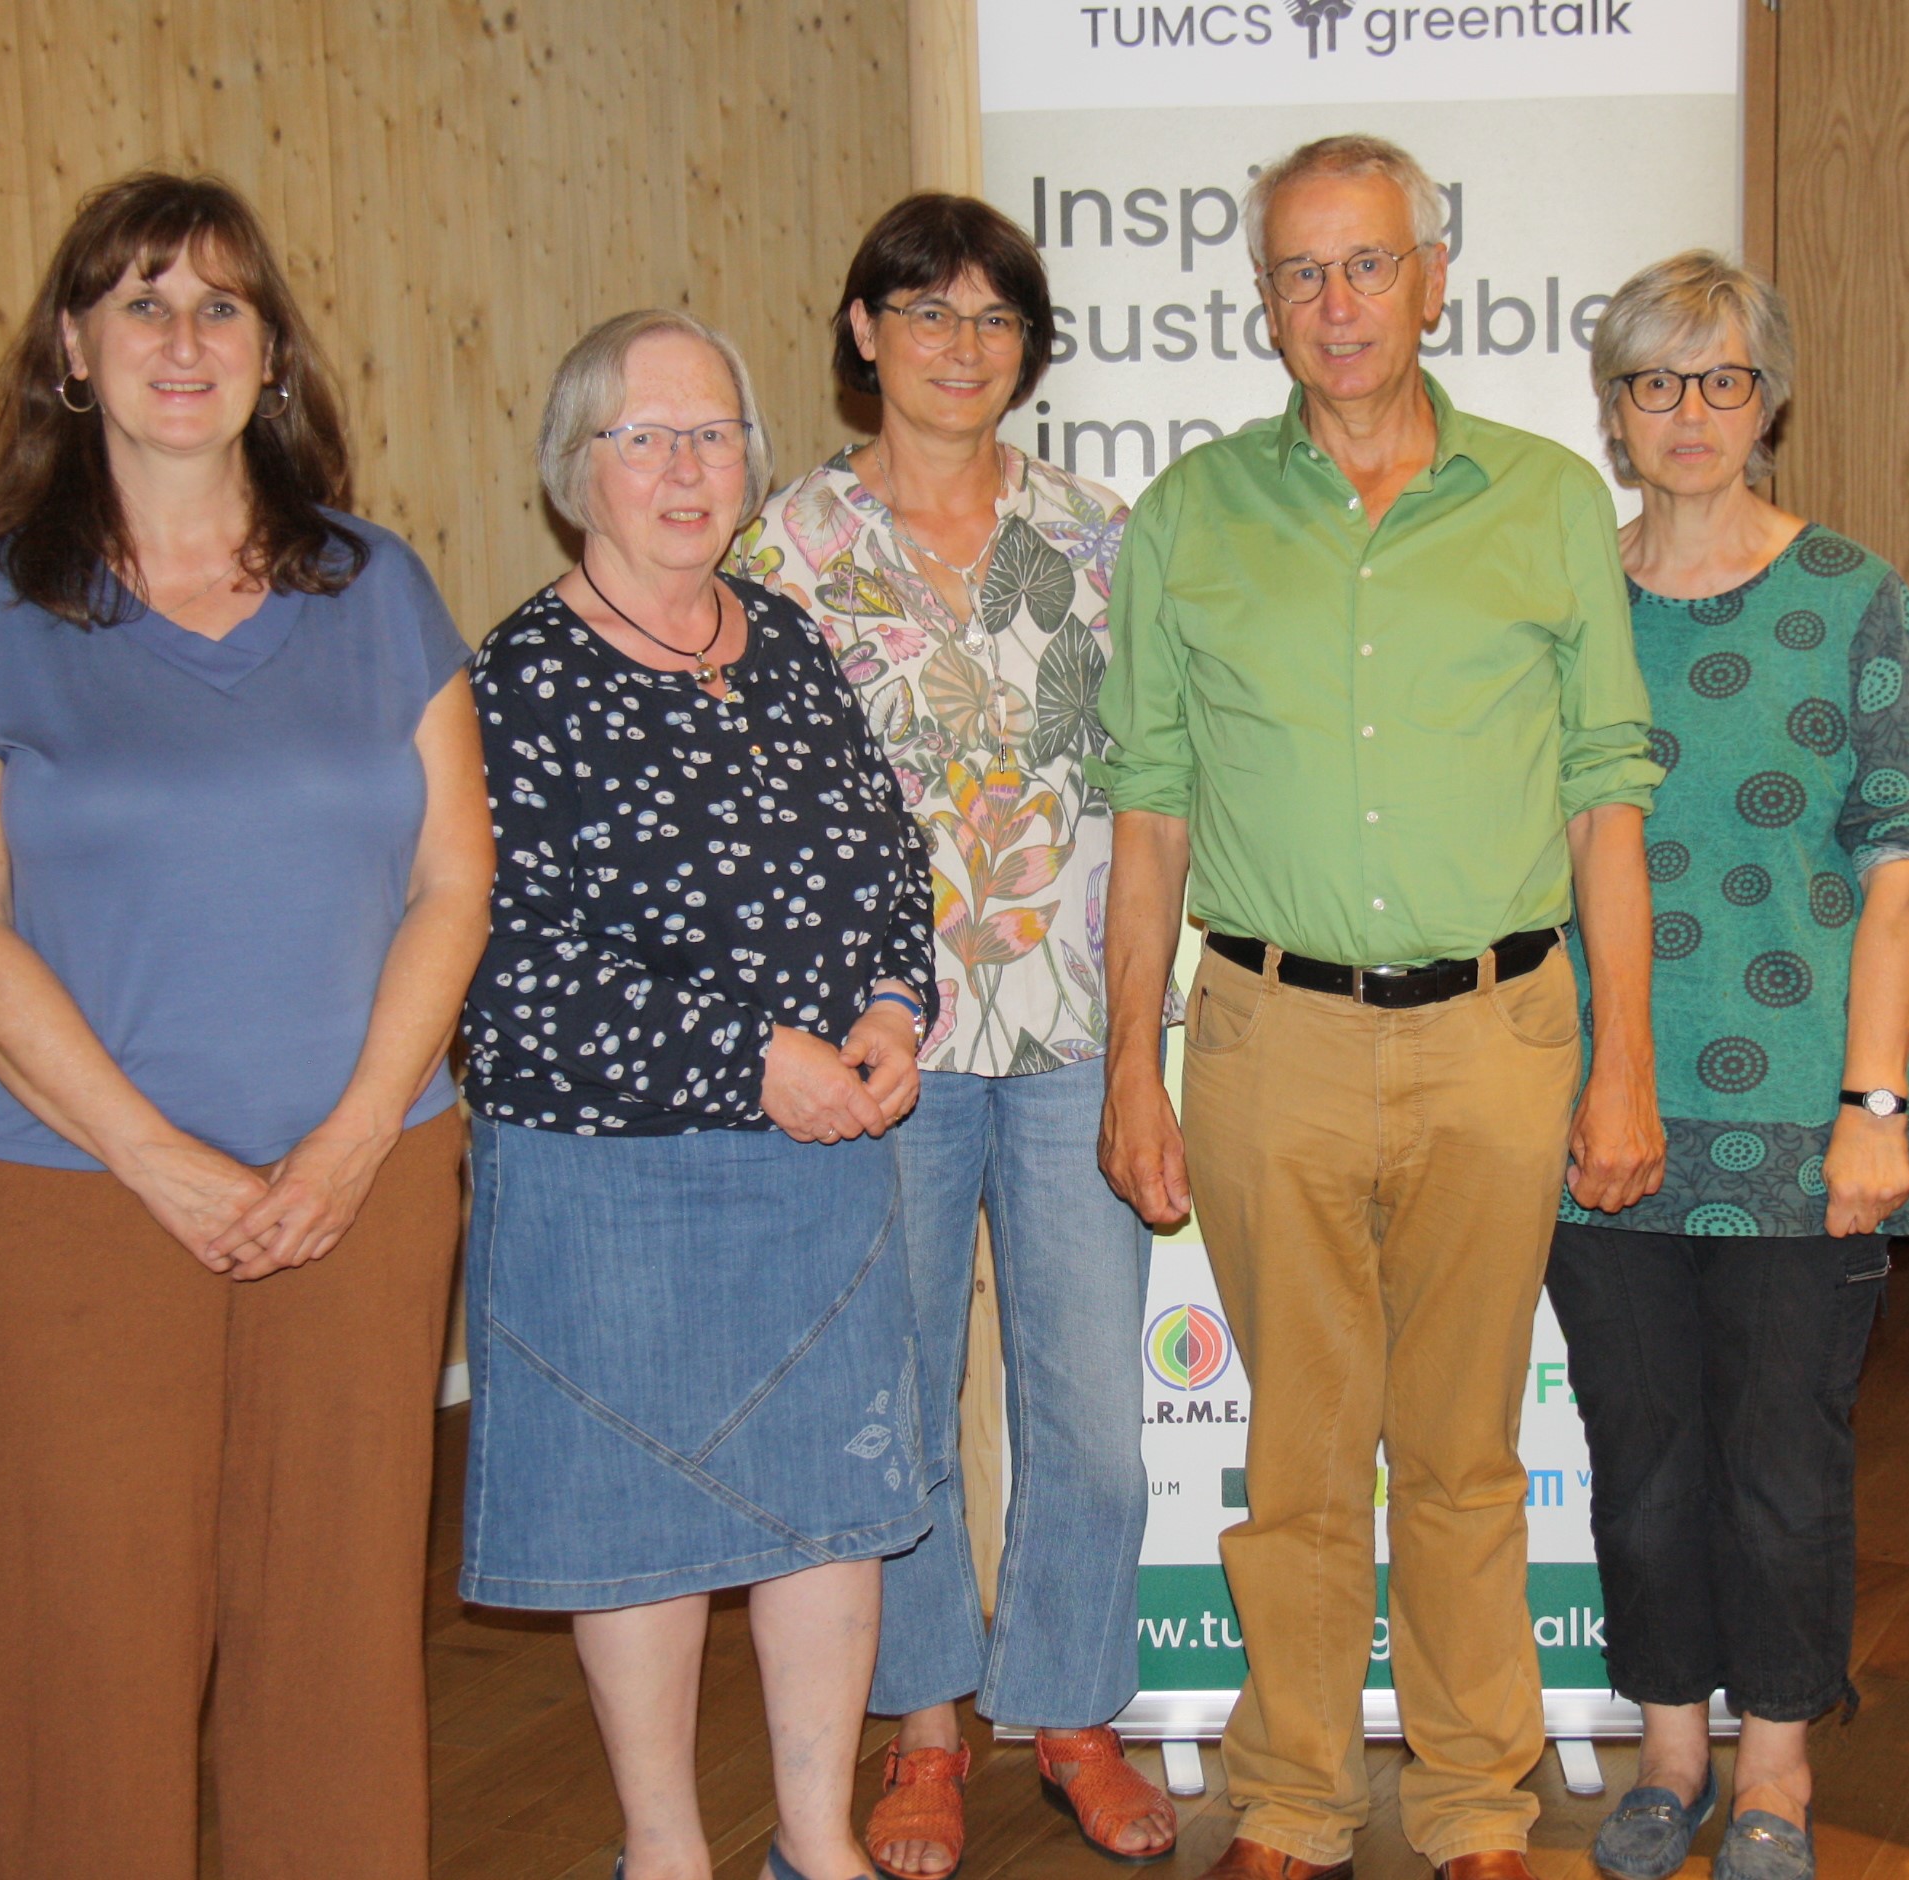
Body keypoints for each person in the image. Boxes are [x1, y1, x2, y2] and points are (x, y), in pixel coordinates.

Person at [0, 171, 492, 1877]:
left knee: (338, 1643)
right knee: (89, 1647)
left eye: (221, 304)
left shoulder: (377, 586)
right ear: (73, 350)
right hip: (78, 1201)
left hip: (363, 1189)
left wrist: (357, 1132)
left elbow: (454, 879)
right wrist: (159, 1162)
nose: (183, 336)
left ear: (272, 359)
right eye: (141, 302)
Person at [1097, 134, 1666, 1880]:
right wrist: (1137, 1058)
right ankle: (1290, 1800)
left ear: (1434, 275)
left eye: (1367, 265)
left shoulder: (1551, 500)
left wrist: (1623, 1058)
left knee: (1470, 1453)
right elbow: (1150, 801)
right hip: (1267, 1040)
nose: (1335, 304)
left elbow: (1604, 791)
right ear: (1262, 298)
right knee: (1297, 1458)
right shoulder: (1190, 518)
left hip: (1500, 1038)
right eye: (1297, 272)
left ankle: (1481, 1802)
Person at [458, 307, 940, 1880]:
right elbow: (508, 966)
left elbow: (882, 862)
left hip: (820, 1171)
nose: (685, 467)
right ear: (574, 467)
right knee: (640, 1531)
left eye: (714, 433)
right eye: (645, 436)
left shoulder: (785, 638)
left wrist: (885, 1008)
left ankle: (816, 1842)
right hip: (617, 1187)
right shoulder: (520, 678)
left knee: (832, 1512)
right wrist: (753, 1059)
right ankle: (662, 1852)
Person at [732, 193, 1179, 1880]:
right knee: (894, 1411)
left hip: (1072, 1031)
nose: (959, 346)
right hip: (879, 1059)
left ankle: (1070, 1714)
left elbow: (1147, 796)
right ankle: (924, 1734)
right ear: (863, 332)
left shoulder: (1100, 536)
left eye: (993, 319)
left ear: (1028, 348)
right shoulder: (782, 553)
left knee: (1089, 1415)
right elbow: (757, 825)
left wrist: (1144, 1035)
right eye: (924, 312)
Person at [1551, 253, 1909, 1880]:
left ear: (1771, 400)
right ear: (1616, 410)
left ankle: (1774, 1769)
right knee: (1640, 1464)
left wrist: (1874, 1105)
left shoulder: (1855, 592)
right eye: (1655, 383)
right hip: (1605, 1108)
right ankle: (1665, 1754)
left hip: (1803, 1113)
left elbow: (1903, 856)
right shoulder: (1575, 597)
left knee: (1783, 1470)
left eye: (1721, 381)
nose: (1689, 414)